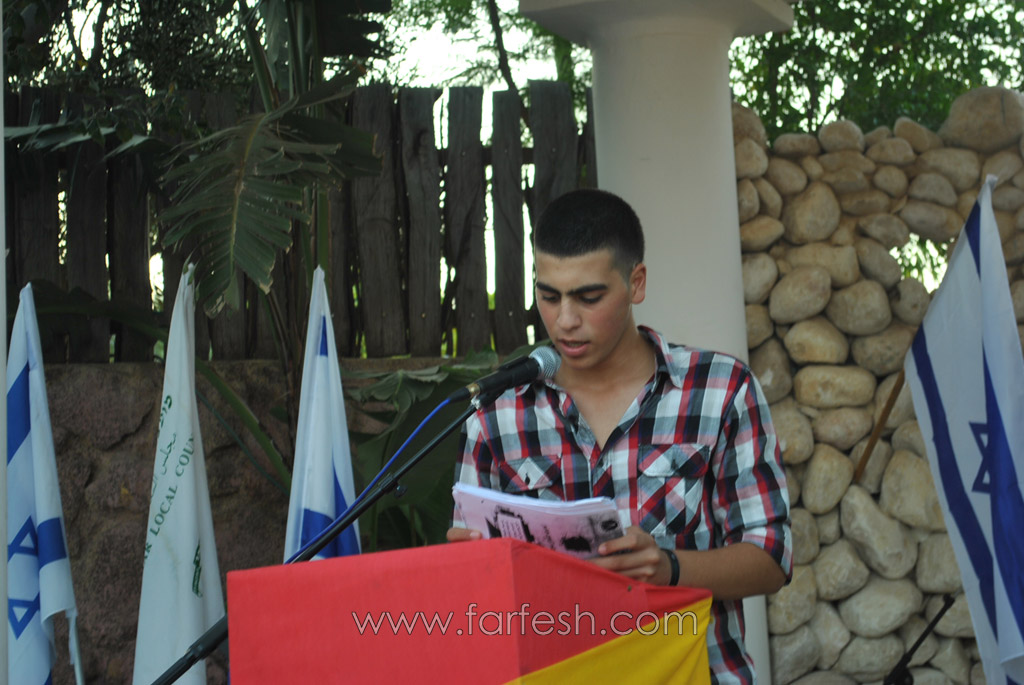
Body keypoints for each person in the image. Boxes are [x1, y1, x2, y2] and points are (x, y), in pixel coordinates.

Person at [447, 188, 792, 684]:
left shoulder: (720, 389)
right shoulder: (497, 412)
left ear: (636, 283)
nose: (565, 320)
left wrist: (670, 569)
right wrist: (470, 565)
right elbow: (478, 595)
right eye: (549, 296)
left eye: (589, 298)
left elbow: (771, 557)